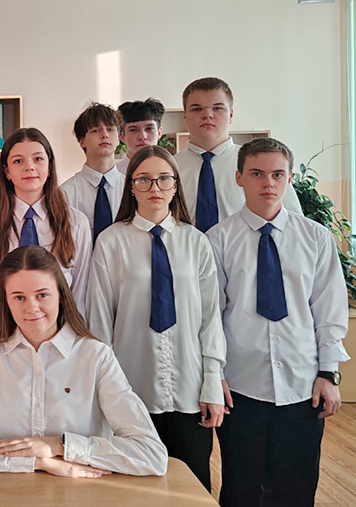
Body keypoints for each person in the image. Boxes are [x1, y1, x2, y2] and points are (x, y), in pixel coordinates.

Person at [207, 138, 350, 507]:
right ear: (239, 177)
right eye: (257, 173)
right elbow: (211, 316)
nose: (267, 183)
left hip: (303, 385)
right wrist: (214, 375)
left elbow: (328, 310)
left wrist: (329, 373)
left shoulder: (315, 237)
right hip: (240, 387)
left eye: (277, 174)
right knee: (241, 487)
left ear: (288, 178)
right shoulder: (218, 240)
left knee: (297, 487)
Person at [0, 246, 168, 477]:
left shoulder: (96, 356)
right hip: (6, 491)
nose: (32, 308)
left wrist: (59, 445)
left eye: (42, 295)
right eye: (19, 297)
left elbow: (150, 454)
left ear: (60, 295)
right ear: (5, 302)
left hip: (83, 492)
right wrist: (39, 462)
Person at [86, 145, 226, 490]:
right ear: (131, 186)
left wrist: (212, 383)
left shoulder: (197, 243)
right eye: (144, 180)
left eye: (164, 179)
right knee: (133, 489)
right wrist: (104, 392)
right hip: (130, 386)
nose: (154, 188)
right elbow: (100, 323)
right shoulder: (110, 242)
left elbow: (211, 320)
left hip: (190, 388)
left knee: (192, 485)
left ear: (176, 185)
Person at [0, 128, 92, 320]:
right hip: (7, 324)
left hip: (61, 324)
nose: (29, 167)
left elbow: (80, 292)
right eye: (18, 161)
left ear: (49, 167)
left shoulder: (75, 222)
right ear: (7, 171)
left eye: (38, 159)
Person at [174, 77, 301, 232]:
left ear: (231, 114)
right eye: (197, 109)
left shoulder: (259, 164)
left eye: (217, 108)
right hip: (185, 247)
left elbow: (294, 224)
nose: (207, 115)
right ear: (185, 116)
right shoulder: (169, 168)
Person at [60, 103, 125, 245]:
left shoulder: (132, 188)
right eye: (95, 130)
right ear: (82, 141)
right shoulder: (65, 194)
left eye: (110, 129)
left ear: (119, 138)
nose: (104, 135)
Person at [117, 98, 164, 174]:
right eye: (133, 130)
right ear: (122, 135)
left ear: (159, 133)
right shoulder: (115, 174)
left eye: (149, 129)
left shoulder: (171, 171)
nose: (142, 137)